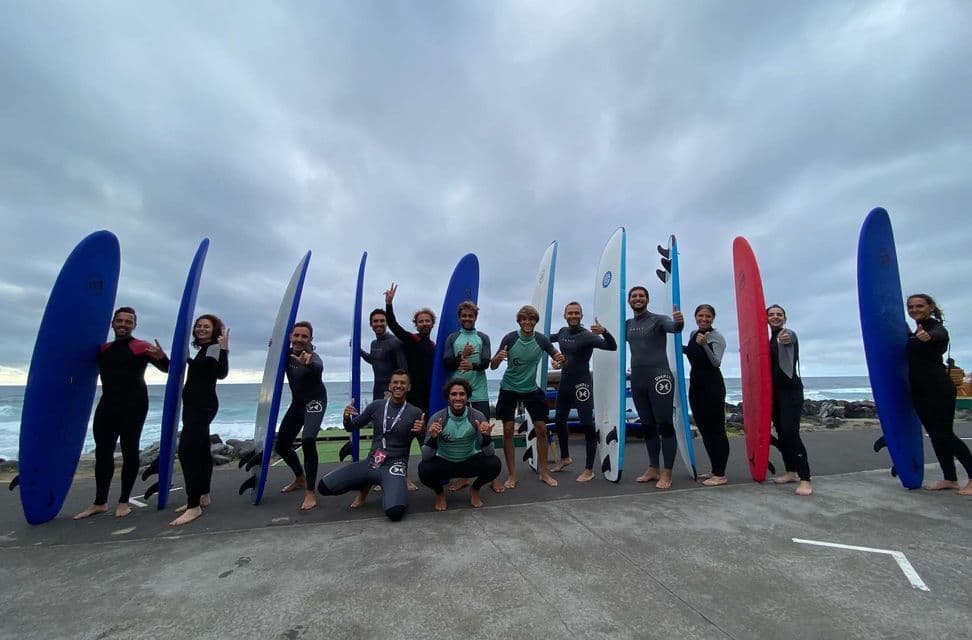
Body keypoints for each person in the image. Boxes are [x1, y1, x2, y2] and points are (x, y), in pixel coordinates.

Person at [74, 307, 169, 519]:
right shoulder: (103, 349)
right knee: (103, 453)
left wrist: (162, 357)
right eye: (120, 321)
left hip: (134, 406)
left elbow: (168, 368)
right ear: (113, 323)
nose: (123, 324)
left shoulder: (141, 347)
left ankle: (124, 501)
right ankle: (100, 502)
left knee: (129, 450)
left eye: (128, 321)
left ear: (134, 324)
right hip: (107, 405)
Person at [317, 371, 425, 521]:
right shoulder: (376, 406)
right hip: (373, 461)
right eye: (395, 382)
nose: (398, 385)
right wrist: (346, 417)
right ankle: (366, 485)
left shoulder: (415, 412)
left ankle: (389, 485)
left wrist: (422, 431)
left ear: (409, 387)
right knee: (324, 487)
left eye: (403, 383)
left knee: (395, 513)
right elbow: (351, 427)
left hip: (395, 464)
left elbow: (424, 442)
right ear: (390, 386)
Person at [490, 305, 565, 490]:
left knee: (541, 428)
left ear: (535, 321)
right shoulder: (510, 338)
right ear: (519, 321)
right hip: (509, 387)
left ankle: (544, 472)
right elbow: (492, 366)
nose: (527, 322)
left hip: (531, 388)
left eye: (531, 319)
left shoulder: (541, 340)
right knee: (508, 429)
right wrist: (498, 358)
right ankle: (513, 475)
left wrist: (559, 360)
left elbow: (558, 357)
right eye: (524, 319)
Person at [905, 294, 972, 495]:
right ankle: (950, 478)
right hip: (920, 390)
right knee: (935, 435)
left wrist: (929, 336)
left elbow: (940, 334)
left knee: (945, 434)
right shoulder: (915, 329)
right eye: (911, 307)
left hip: (938, 389)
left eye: (920, 306)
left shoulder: (933, 327)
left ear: (930, 307)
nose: (915, 309)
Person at [170, 315, 229, 526]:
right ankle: (203, 495)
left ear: (214, 330)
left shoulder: (213, 347)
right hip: (195, 407)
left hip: (202, 407)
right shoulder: (203, 351)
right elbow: (197, 370)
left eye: (206, 326)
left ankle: (193, 506)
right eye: (198, 325)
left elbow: (221, 373)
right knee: (203, 451)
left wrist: (224, 349)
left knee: (187, 452)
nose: (201, 328)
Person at [549, 302, 617, 482]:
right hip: (565, 382)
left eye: (576, 313)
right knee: (559, 420)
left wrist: (604, 332)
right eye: (570, 313)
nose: (573, 316)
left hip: (582, 385)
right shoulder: (563, 332)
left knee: (587, 424)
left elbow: (612, 346)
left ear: (581, 315)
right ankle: (565, 457)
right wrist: (554, 358)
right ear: (564, 315)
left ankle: (589, 469)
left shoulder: (587, 336)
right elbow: (547, 339)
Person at [625, 286, 683, 490]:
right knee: (647, 425)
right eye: (634, 296)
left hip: (659, 377)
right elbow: (613, 344)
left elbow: (673, 327)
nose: (637, 298)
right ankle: (653, 468)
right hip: (638, 378)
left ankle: (667, 472)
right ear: (629, 301)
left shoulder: (659, 319)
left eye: (641, 296)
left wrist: (679, 322)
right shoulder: (628, 324)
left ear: (647, 299)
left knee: (665, 424)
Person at [418, 378, 502, 511]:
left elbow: (489, 453)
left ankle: (475, 489)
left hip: (468, 461)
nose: (458, 398)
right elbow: (426, 456)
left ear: (467, 396)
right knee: (424, 469)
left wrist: (486, 437)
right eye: (454, 394)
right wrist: (433, 438)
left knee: (495, 463)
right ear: (448, 397)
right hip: (445, 462)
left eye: (462, 394)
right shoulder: (437, 418)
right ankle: (440, 493)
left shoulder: (477, 416)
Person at [275, 321, 327, 512]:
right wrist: (273, 346)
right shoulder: (286, 355)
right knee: (281, 445)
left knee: (308, 439)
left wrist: (309, 363)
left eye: (304, 336)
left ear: (310, 339)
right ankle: (299, 477)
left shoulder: (313, 357)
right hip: (297, 404)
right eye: (296, 335)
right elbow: (275, 354)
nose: (299, 339)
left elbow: (318, 366)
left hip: (315, 402)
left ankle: (310, 492)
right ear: (290, 337)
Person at [766, 305, 812, 496]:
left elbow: (790, 337)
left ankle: (805, 479)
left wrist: (787, 337)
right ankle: (791, 471)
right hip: (775, 393)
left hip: (791, 392)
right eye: (771, 314)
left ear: (785, 318)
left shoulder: (786, 333)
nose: (775, 317)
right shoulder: (768, 339)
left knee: (791, 434)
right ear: (766, 319)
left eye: (779, 314)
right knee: (782, 433)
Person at [683, 304, 729, 486]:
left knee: (716, 430)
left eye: (707, 316)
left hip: (713, 387)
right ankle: (714, 468)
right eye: (700, 316)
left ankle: (721, 474)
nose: (703, 319)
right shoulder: (694, 333)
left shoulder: (716, 337)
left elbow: (716, 362)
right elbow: (692, 354)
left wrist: (705, 346)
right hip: (696, 386)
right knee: (705, 430)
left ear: (713, 318)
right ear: (695, 317)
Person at [383, 283, 435, 413]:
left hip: (431, 391)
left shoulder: (434, 346)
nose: (424, 324)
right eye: (421, 321)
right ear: (416, 325)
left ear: (432, 323)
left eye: (427, 321)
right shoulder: (412, 339)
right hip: (414, 393)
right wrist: (389, 304)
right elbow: (394, 325)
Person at [360, 308, 407, 401]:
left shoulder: (395, 342)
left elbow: (403, 369)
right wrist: (358, 350)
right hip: (377, 389)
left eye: (382, 321)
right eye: (375, 321)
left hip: (391, 391)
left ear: (387, 323)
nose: (379, 323)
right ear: (371, 324)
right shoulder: (373, 343)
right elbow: (374, 360)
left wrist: (394, 392)